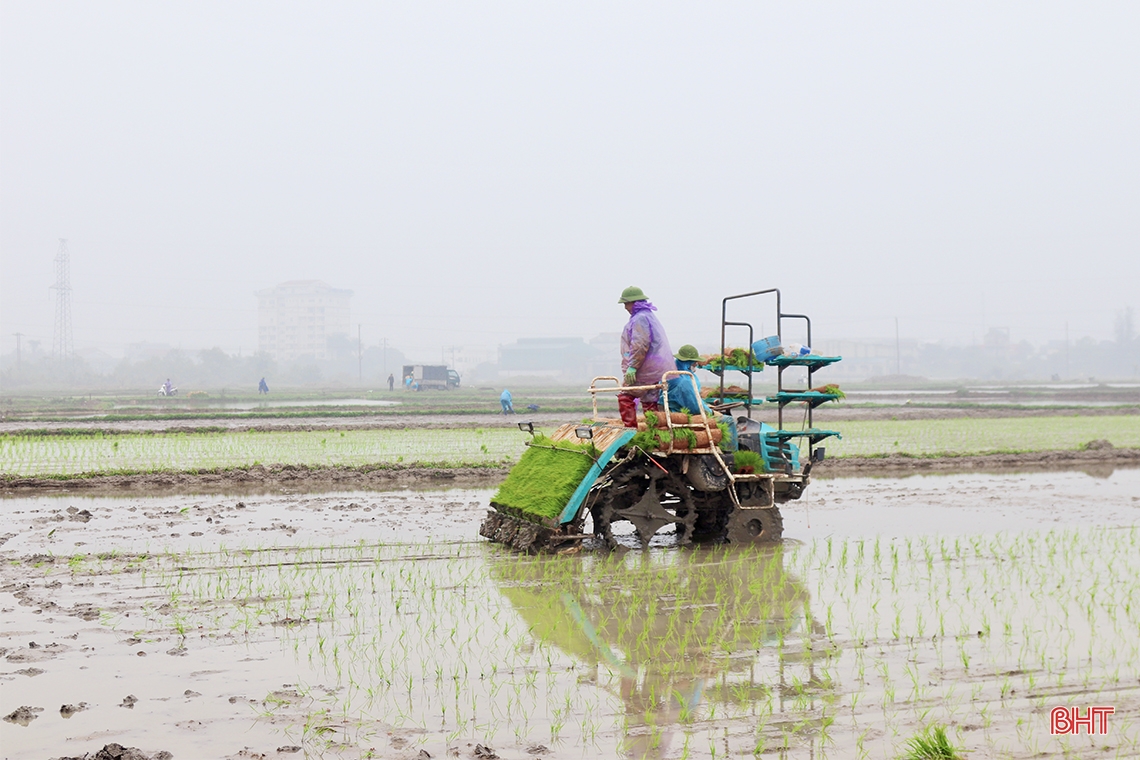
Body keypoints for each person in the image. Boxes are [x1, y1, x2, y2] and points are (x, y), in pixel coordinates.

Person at [617, 286, 674, 428]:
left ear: (634, 302)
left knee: (626, 396)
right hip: (653, 370)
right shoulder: (648, 316)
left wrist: (632, 367)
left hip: (644, 369)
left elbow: (640, 344)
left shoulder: (640, 318)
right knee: (650, 402)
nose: (625, 307)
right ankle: (654, 435)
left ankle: (629, 432)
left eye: (626, 303)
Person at [667, 344, 738, 449]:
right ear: (689, 362)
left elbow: (692, 400)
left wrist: (707, 406)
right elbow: (695, 407)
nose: (696, 365)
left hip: (675, 411)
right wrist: (712, 412)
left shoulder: (672, 374)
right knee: (729, 421)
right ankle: (730, 456)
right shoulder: (684, 381)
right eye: (694, 363)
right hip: (683, 416)